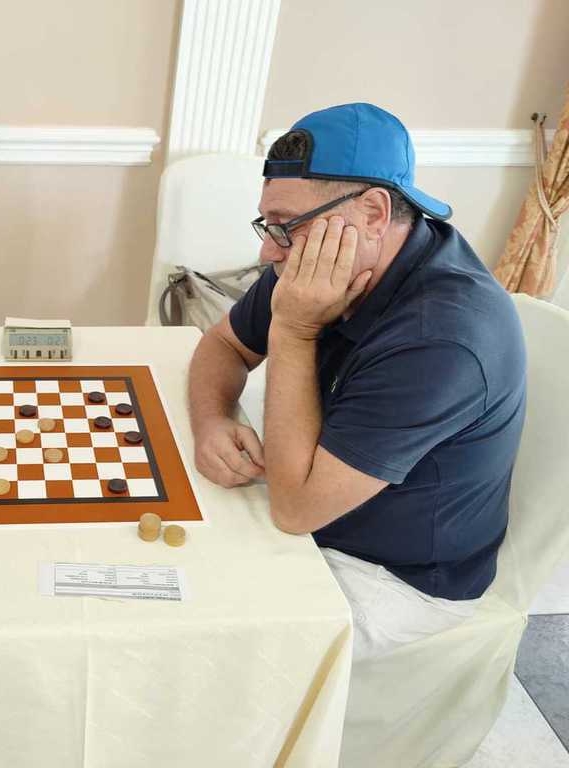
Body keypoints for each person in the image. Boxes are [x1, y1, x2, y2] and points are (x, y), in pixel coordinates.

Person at [187, 103, 526, 660]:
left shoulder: (442, 338)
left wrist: (294, 330)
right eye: (268, 224)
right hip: (310, 504)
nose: (268, 250)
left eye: (285, 226)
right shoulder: (314, 260)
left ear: (373, 211)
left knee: (192, 633)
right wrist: (212, 420)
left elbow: (295, 510)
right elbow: (223, 345)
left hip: (393, 576)